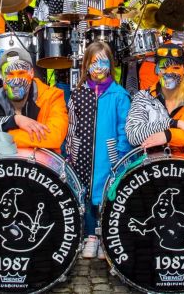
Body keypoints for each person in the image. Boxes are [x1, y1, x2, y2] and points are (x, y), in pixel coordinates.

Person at [65, 42, 132, 259]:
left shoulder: (119, 95)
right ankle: (90, 236)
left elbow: (124, 128)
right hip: (82, 155)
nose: (98, 67)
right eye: (94, 62)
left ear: (110, 65)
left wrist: (120, 156)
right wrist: (70, 151)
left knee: (106, 195)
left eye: (103, 62)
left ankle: (105, 237)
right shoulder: (78, 94)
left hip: (109, 157)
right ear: (86, 65)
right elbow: (72, 125)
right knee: (85, 195)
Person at [125, 43, 184, 152]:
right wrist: (176, 123)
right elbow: (133, 136)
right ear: (156, 71)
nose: (169, 73)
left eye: (176, 67)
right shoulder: (143, 97)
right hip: (153, 166)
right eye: (163, 67)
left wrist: (168, 135)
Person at [0, 48, 69, 150]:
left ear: (31, 73)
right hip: (1, 165)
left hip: (43, 164)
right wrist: (14, 120)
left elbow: (54, 137)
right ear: (2, 77)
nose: (16, 81)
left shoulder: (53, 96)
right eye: (10, 74)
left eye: (21, 73)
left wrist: (1, 138)